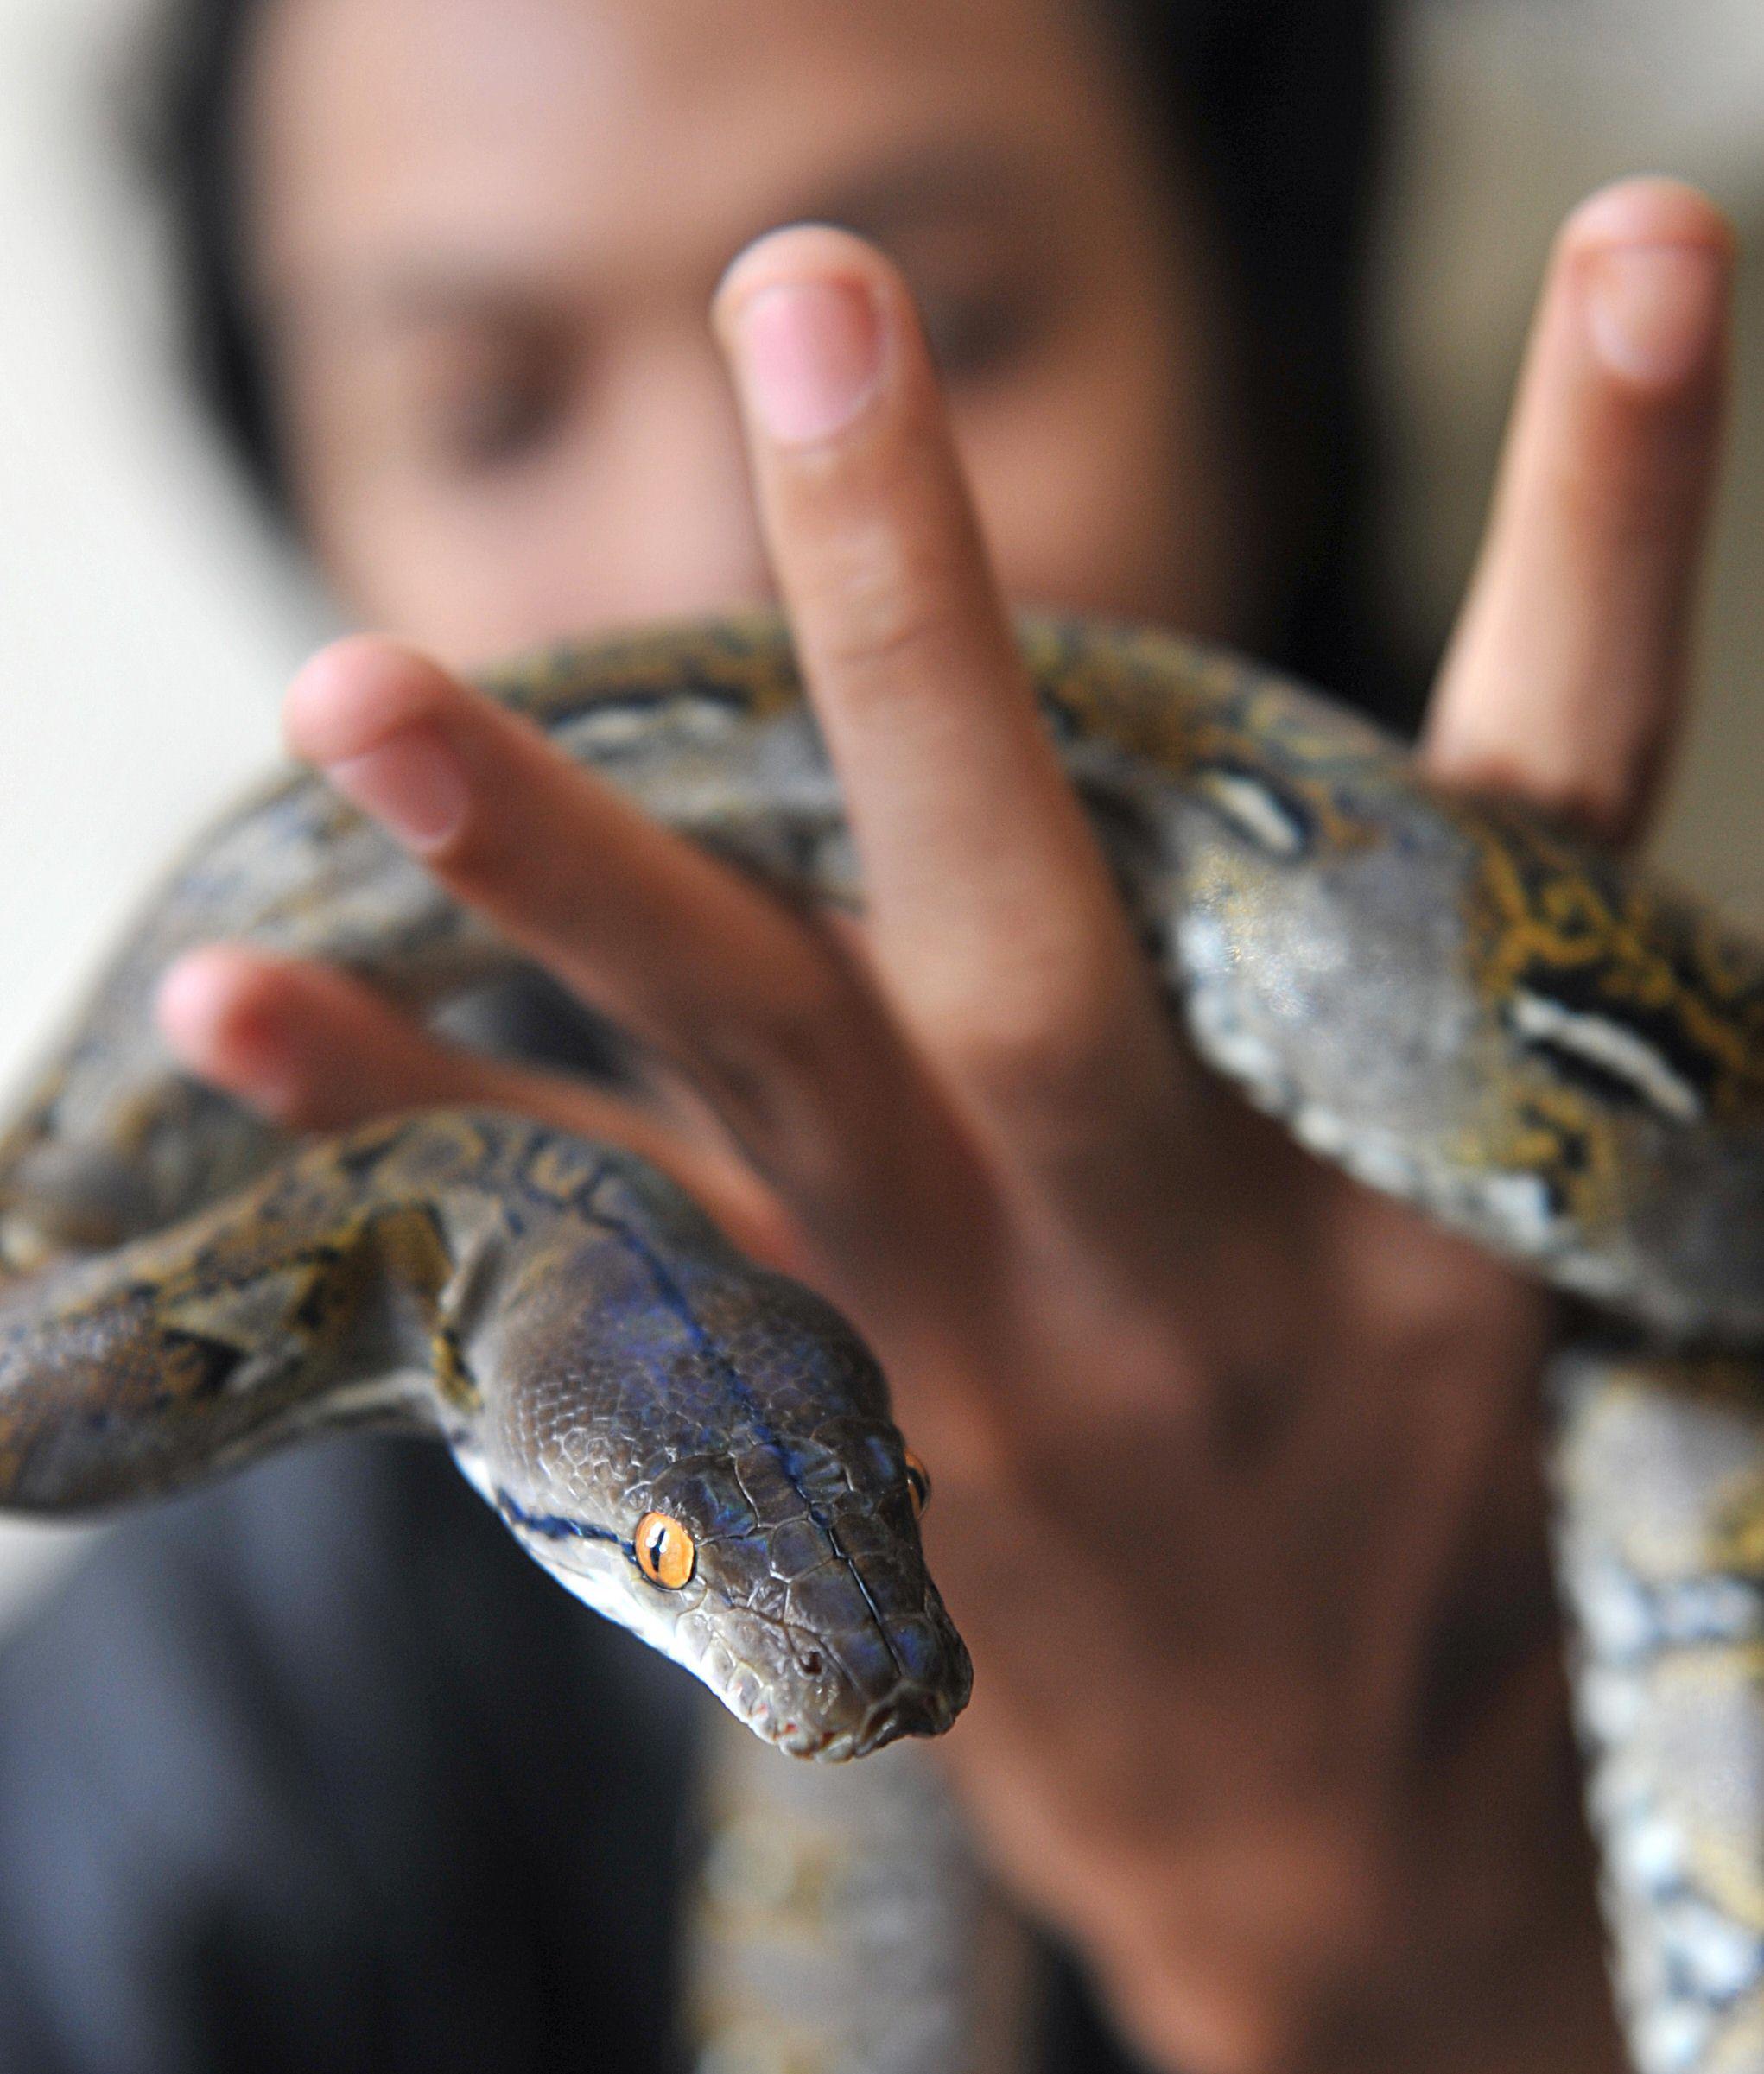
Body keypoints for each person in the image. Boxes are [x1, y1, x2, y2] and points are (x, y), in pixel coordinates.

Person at [0, 1, 1736, 2069]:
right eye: (484, 407)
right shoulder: (196, 1760)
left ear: (1259, 343)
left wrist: (1407, 1946)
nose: (731, 567)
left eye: (957, 318)